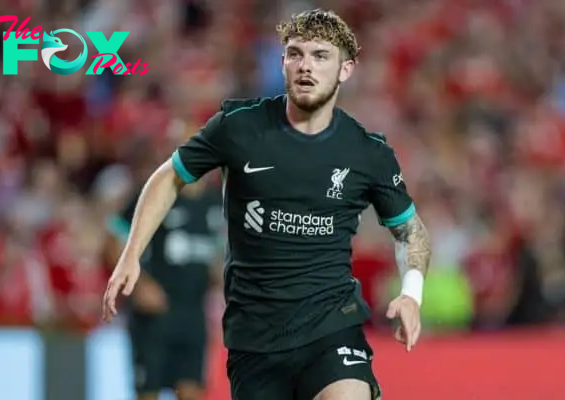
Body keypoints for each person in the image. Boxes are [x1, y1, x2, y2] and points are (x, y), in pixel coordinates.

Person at [103, 9, 432, 400]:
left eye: (320, 56)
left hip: (331, 327)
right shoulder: (240, 127)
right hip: (255, 341)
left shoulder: (367, 153)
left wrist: (412, 293)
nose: (305, 66)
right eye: (295, 54)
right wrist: (131, 254)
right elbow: (169, 176)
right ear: (283, 63)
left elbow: (410, 230)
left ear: (346, 69)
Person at [106, 178, 223, 400]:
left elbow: (214, 257)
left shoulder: (214, 202)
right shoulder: (159, 190)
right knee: (149, 392)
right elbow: (113, 238)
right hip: (155, 316)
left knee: (192, 391)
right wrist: (141, 286)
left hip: (193, 313)